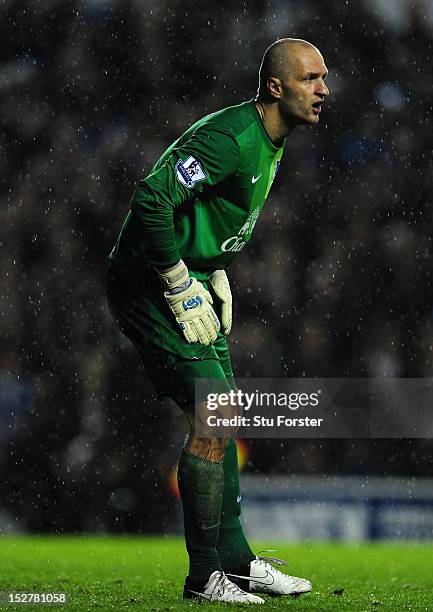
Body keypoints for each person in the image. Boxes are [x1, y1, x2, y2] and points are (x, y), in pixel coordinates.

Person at [107, 38, 329, 604]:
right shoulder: (232, 138)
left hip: (193, 274)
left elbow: (203, 209)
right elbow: (153, 196)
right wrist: (180, 280)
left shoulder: (272, 139)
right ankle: (204, 575)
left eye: (324, 77)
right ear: (276, 88)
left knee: (224, 413)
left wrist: (214, 267)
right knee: (212, 421)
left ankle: (238, 562)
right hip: (148, 281)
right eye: (310, 78)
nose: (324, 88)